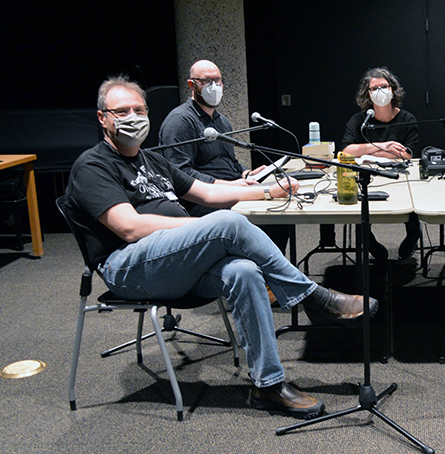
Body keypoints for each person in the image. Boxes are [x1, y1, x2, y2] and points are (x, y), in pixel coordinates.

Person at [66, 76, 379, 419]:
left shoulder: (151, 160)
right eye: (121, 111)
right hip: (129, 269)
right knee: (226, 224)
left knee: (243, 272)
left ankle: (268, 385)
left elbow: (209, 193)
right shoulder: (93, 165)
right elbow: (128, 227)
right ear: (103, 118)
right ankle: (313, 297)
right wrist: (204, 229)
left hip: (171, 263)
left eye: (138, 109)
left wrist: (268, 191)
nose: (133, 117)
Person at [158, 60, 290, 252]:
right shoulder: (180, 121)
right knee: (269, 217)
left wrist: (246, 174)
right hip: (203, 201)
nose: (214, 86)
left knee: (280, 214)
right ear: (191, 85)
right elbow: (181, 174)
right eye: (206, 81)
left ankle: (268, 277)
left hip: (232, 189)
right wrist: (229, 185)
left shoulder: (222, 121)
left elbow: (230, 163)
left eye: (217, 81)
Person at [337, 67, 420, 262]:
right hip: (366, 174)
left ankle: (413, 235)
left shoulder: (407, 119)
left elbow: (406, 154)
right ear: (368, 94)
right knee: (360, 204)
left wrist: (365, 149)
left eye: (384, 86)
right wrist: (382, 146)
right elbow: (346, 151)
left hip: (401, 176)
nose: (380, 91)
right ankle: (369, 241)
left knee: (413, 201)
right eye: (374, 88)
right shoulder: (359, 120)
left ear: (393, 90)